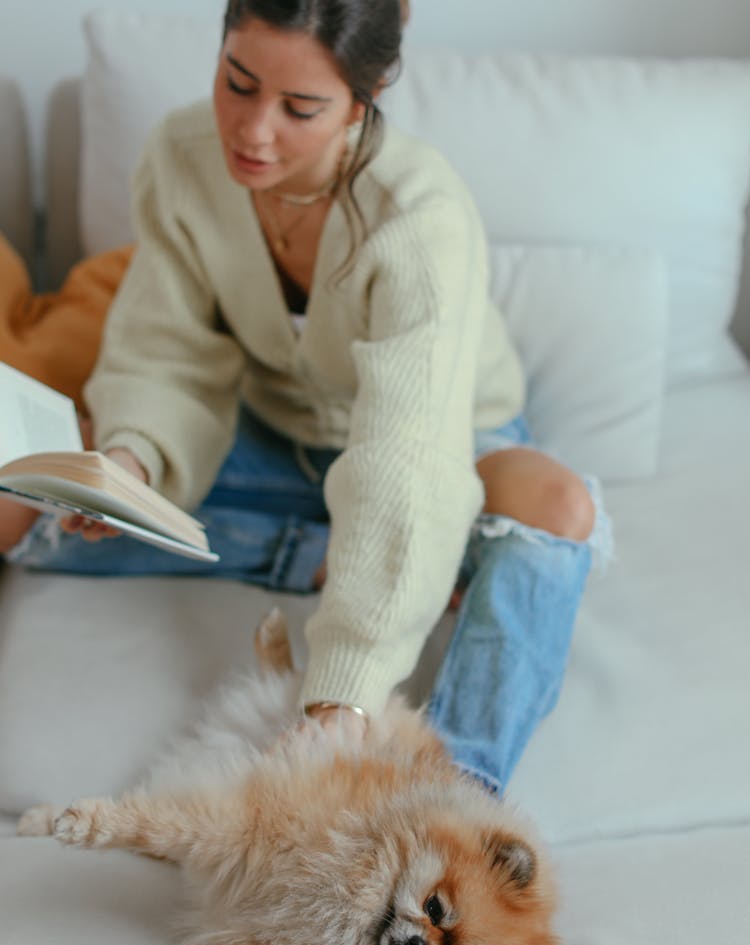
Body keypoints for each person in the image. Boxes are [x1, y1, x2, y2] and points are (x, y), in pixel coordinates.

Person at [0, 0, 609, 793]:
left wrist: (341, 697)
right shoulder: (181, 157)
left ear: (367, 95)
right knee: (19, 495)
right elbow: (166, 351)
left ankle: (457, 799)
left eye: (299, 108)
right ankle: (353, 556)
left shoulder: (418, 216)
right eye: (238, 83)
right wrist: (132, 460)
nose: (253, 131)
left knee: (556, 508)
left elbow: (405, 455)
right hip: (272, 433)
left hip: (438, 438)